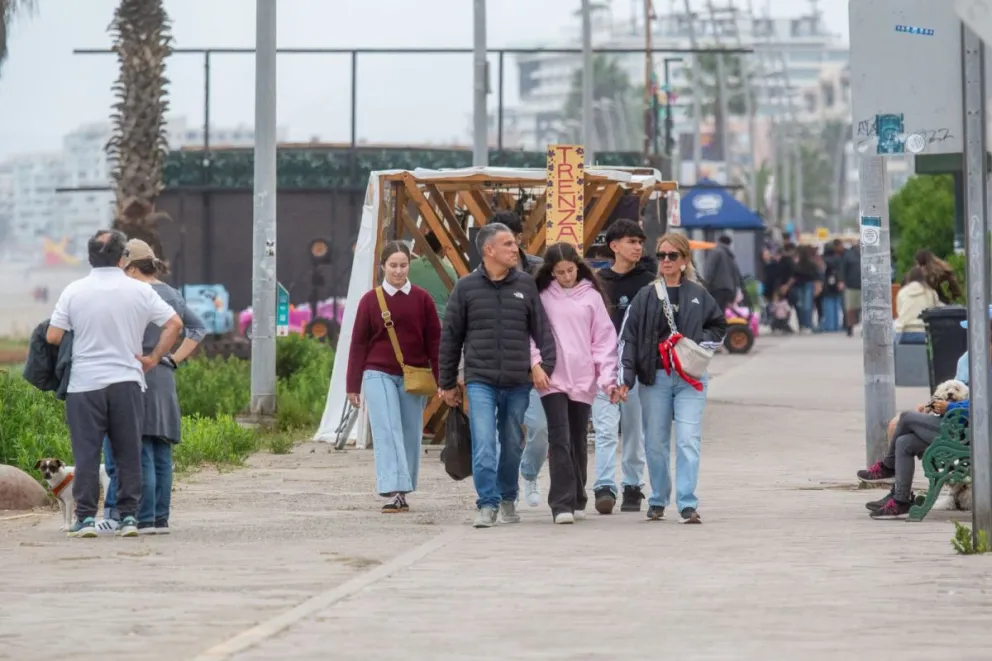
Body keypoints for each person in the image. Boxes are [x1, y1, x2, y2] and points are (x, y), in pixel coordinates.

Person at [46, 229, 183, 538]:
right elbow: (175, 324)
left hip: (84, 385)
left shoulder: (74, 291)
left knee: (86, 454)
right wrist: (153, 357)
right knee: (128, 452)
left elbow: (53, 336)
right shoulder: (140, 291)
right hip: (127, 382)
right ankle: (129, 518)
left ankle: (85, 519)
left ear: (89, 258)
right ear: (122, 258)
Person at [437, 223, 556, 528]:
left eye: (514, 244)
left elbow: (542, 331)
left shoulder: (526, 285)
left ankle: (508, 497)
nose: (515, 249)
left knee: (512, 442)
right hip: (480, 380)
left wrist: (546, 367)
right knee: (485, 442)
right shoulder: (466, 287)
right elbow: (450, 337)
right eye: (507, 244)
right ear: (488, 250)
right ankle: (487, 503)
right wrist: (447, 382)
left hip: (518, 381)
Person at [617, 233, 727, 524]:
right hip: (655, 377)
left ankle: (687, 503)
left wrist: (695, 344)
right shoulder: (645, 295)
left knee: (688, 439)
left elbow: (719, 326)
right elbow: (628, 337)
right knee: (655, 442)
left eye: (672, 255)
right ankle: (658, 498)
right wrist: (625, 378)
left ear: (684, 260)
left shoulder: (698, 294)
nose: (665, 260)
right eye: (661, 255)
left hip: (690, 377)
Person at [115, 239, 206, 534]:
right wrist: (173, 358)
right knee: (162, 452)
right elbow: (198, 327)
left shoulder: (133, 294)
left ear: (132, 267)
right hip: (164, 376)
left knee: (141, 449)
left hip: (139, 372)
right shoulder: (171, 294)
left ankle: (144, 518)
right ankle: (160, 519)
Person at [347, 241, 441, 513]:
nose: (398, 271)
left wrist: (442, 379)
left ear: (409, 266)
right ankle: (394, 489)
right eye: (393, 266)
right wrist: (352, 384)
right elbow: (358, 344)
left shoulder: (423, 299)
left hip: (414, 374)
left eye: (403, 265)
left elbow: (435, 342)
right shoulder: (370, 300)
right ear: (382, 267)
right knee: (387, 429)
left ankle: (404, 486)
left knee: (410, 432)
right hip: (377, 373)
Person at [530, 242, 618, 524]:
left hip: (583, 377)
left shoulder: (592, 296)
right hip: (551, 376)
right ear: (551, 272)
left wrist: (608, 378)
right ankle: (561, 503)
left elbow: (603, 339)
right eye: (560, 272)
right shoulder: (541, 296)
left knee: (577, 437)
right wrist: (535, 364)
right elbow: (530, 332)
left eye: (570, 270)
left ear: (578, 267)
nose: (567, 276)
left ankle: (578, 495)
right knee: (559, 437)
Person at [591, 219, 653, 514]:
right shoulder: (597, 282)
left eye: (640, 242)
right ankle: (604, 486)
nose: (637, 247)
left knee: (633, 428)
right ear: (614, 246)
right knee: (604, 429)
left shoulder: (649, 282)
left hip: (637, 365)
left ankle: (632, 485)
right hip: (603, 364)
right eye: (631, 241)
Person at [494, 209, 552, 509]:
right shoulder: (480, 273)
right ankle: (503, 494)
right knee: (504, 433)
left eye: (509, 239)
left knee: (540, 429)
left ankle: (529, 473)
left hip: (537, 364)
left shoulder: (540, 270)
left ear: (519, 238)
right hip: (497, 366)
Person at [407, 232, 458, 320]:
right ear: (442, 249)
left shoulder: (409, 267)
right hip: (438, 322)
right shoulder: (450, 272)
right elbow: (456, 301)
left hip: (411, 320)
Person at [894, 266, 940, 345]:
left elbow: (899, 312)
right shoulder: (931, 292)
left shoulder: (902, 292)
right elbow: (936, 312)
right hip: (925, 333)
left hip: (905, 332)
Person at [703, 233, 742, 312]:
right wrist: (733, 294)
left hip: (717, 289)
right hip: (728, 291)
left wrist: (705, 286)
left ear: (718, 241)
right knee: (721, 313)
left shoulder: (716, 252)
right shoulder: (731, 256)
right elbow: (736, 276)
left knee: (713, 312)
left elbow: (709, 270)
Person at [820, 240, 845, 333]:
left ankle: (829, 325)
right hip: (837, 283)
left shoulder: (823, 259)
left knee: (828, 305)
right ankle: (836, 325)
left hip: (826, 284)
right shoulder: (838, 258)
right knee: (836, 305)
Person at [840, 240, 862, 336]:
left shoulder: (868, 254)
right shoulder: (849, 255)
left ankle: (863, 327)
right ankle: (849, 327)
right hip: (851, 285)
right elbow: (843, 268)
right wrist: (841, 280)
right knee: (851, 308)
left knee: (863, 308)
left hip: (865, 286)